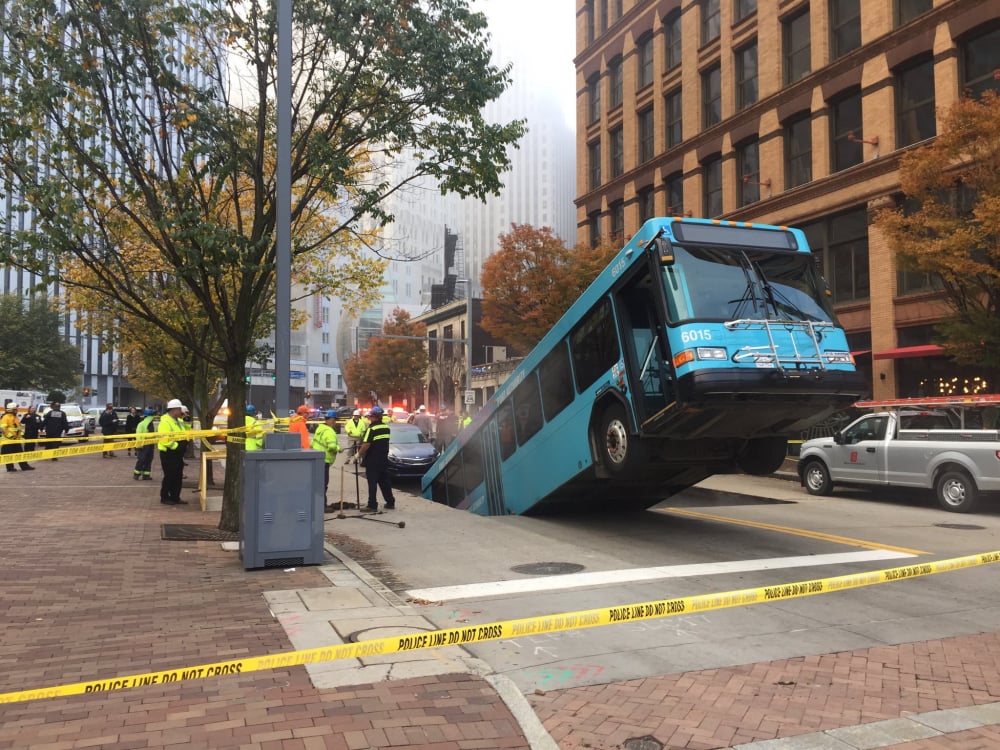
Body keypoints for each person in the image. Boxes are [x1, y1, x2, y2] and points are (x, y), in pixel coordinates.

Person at [356, 406, 395, 512]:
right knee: (384, 482)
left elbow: (366, 445)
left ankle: (372, 505)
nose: (369, 418)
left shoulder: (371, 429)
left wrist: (358, 455)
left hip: (373, 460)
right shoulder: (386, 428)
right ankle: (390, 502)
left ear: (374, 417)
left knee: (372, 482)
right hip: (383, 459)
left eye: (371, 416)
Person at [157, 399, 187, 504]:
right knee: (170, 475)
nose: (181, 411)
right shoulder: (165, 422)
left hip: (177, 454)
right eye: (179, 409)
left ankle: (175, 497)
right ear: (173, 410)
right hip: (169, 453)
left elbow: (185, 432)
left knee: (178, 476)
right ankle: (164, 497)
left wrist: (186, 419)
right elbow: (164, 440)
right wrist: (176, 446)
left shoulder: (178, 421)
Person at [311, 410, 340, 511]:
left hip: (316, 459)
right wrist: (338, 448)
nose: (335, 422)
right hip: (324, 460)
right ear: (331, 420)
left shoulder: (320, 429)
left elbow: (312, 444)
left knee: (317, 483)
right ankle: (322, 506)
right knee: (323, 484)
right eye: (334, 420)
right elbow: (332, 446)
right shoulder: (329, 431)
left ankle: (316, 504)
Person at [1, 402, 34, 471]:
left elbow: (18, 427)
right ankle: (10, 468)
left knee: (20, 454)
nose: (17, 410)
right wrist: (10, 436)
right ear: (11, 409)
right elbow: (3, 428)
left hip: (15, 440)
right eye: (16, 409)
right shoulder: (5, 417)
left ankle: (25, 467)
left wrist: (21, 434)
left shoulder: (15, 417)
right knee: (8, 456)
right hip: (8, 441)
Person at [133, 407, 156, 481]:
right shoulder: (142, 424)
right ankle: (136, 474)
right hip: (144, 444)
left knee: (149, 459)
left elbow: (156, 433)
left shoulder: (151, 424)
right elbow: (138, 435)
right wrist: (140, 445)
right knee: (142, 459)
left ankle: (146, 475)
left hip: (151, 444)